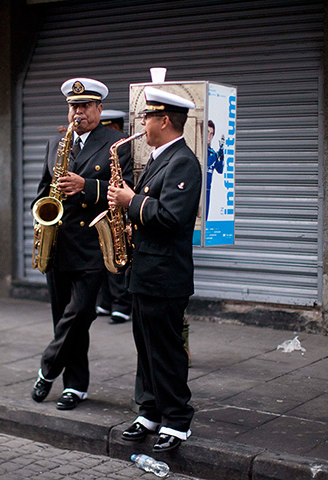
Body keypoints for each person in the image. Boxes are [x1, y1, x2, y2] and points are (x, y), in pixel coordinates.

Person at [108, 87, 201, 453]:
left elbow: (173, 217)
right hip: (146, 271)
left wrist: (132, 201)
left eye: (147, 117)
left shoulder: (183, 161)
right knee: (145, 348)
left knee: (166, 350)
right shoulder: (160, 157)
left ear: (164, 120)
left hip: (166, 275)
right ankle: (149, 412)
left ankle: (177, 420)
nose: (142, 123)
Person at [30, 78, 133, 410]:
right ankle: (75, 386)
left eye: (86, 106)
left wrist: (87, 185)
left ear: (99, 109)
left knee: (81, 312)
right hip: (58, 243)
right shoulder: (56, 142)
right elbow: (44, 187)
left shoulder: (117, 142)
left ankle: (48, 368)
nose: (79, 112)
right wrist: (40, 219)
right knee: (63, 316)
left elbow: (127, 187)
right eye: (74, 106)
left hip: (92, 243)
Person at [95, 109, 133, 324]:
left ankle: (121, 305)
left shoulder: (121, 146)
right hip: (99, 208)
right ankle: (105, 301)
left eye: (108, 127)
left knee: (117, 259)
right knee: (102, 259)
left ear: (117, 128)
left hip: (117, 208)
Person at [206, 119, 224, 219]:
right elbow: (207, 163)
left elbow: (220, 169)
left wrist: (222, 153)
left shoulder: (212, 152)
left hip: (208, 190)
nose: (209, 136)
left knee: (205, 219)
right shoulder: (201, 149)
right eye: (207, 132)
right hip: (199, 189)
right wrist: (218, 153)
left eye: (211, 133)